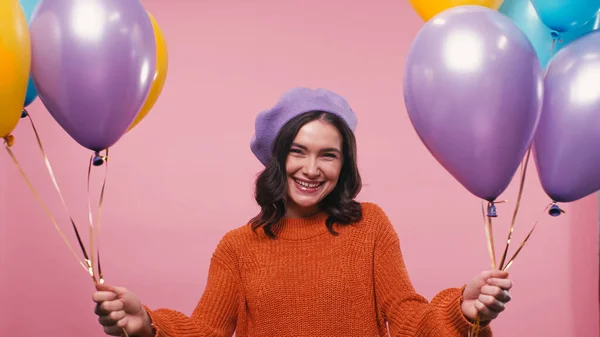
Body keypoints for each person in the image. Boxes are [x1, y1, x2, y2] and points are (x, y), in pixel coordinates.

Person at [93, 87, 513, 337]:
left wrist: (462, 312)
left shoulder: (370, 226)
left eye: (328, 155)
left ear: (344, 164)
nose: (312, 169)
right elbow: (208, 332)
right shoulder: (238, 247)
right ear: (279, 158)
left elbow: (405, 317)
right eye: (298, 152)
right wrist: (147, 326)